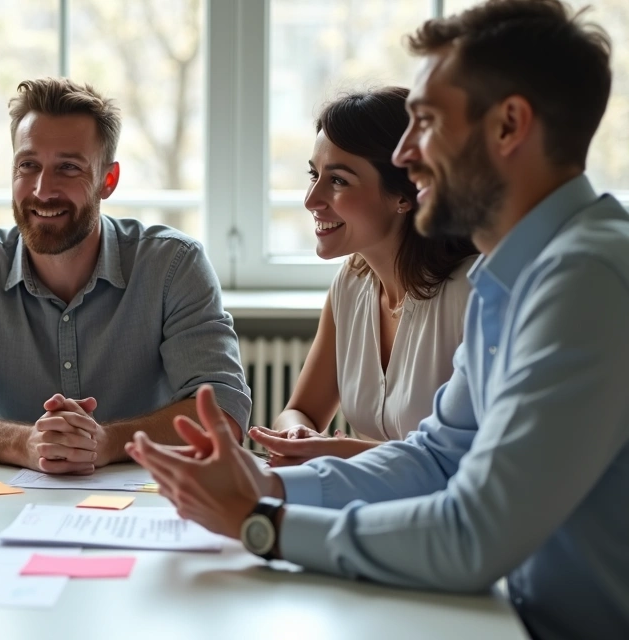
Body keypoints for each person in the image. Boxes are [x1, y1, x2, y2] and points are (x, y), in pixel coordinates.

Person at [127, 2, 629, 638]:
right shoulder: (513, 276)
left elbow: (473, 535)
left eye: (424, 122)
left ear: (508, 126)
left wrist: (263, 526)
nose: (405, 153)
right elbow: (438, 457)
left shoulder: (587, 281)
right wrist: (267, 486)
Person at [0, 77, 251, 475]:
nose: (43, 190)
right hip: (14, 500)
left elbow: (224, 407)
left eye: (68, 168)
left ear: (107, 181)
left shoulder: (173, 265)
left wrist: (107, 442)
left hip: (150, 497)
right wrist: (23, 443)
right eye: (28, 165)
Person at [248, 88, 477, 466]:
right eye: (314, 174)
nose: (311, 199)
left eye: (338, 180)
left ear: (406, 194)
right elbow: (299, 411)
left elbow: (472, 463)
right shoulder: (352, 283)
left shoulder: (471, 293)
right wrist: (297, 435)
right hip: (365, 502)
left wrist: (340, 455)